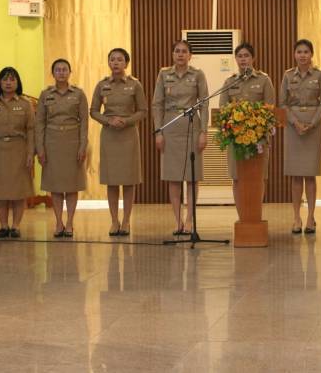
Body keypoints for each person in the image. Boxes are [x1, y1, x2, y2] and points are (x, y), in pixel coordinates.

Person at [152, 40, 209, 236]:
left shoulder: (198, 74)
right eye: (177, 51)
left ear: (190, 55)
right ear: (172, 54)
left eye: (184, 51)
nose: (180, 54)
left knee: (192, 178)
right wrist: (158, 131)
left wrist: (203, 132)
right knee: (173, 177)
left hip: (192, 126)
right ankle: (177, 221)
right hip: (170, 126)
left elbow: (204, 104)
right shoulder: (163, 74)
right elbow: (157, 104)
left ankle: (189, 220)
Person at [90, 48, 148, 237]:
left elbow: (143, 110)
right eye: (112, 59)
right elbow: (93, 111)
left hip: (129, 135)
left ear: (126, 63)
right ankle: (114, 221)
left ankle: (126, 221)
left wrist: (127, 121)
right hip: (109, 136)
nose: (115, 63)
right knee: (112, 180)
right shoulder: (102, 85)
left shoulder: (135, 85)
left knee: (129, 180)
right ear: (108, 62)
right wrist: (108, 121)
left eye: (120, 60)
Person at [219, 42, 275, 218]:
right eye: (240, 56)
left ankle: (255, 216)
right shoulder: (229, 82)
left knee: (258, 178)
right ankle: (242, 217)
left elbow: (271, 109)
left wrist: (259, 126)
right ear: (235, 59)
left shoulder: (264, 80)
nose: (243, 59)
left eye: (246, 56)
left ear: (253, 58)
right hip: (235, 138)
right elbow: (222, 110)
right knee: (237, 177)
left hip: (258, 138)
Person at [279, 39, 321, 234]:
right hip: (293, 127)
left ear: (311, 54)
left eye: (306, 52)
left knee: (310, 174)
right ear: (294, 55)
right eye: (299, 52)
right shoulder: (287, 75)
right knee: (296, 175)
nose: (302, 55)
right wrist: (296, 123)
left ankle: (310, 217)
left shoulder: (319, 75)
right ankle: (296, 217)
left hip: (313, 127)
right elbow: (282, 103)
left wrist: (312, 123)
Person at [35, 59, 88, 238]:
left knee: (72, 185)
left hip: (73, 142)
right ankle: (58, 222)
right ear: (53, 73)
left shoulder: (79, 94)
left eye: (65, 69)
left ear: (70, 72)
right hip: (52, 143)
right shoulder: (45, 94)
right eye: (57, 70)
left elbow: (84, 123)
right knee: (55, 185)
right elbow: (39, 123)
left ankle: (70, 222)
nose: (61, 72)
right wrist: (40, 148)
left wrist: (83, 146)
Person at [0, 67, 35, 238]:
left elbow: (31, 129)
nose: (8, 83)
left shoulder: (25, 104)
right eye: (5, 79)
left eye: (12, 79)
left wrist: (30, 153)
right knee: (0, 192)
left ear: (17, 82)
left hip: (19, 150)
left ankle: (16, 226)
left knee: (19, 191)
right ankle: (3, 226)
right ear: (0, 83)